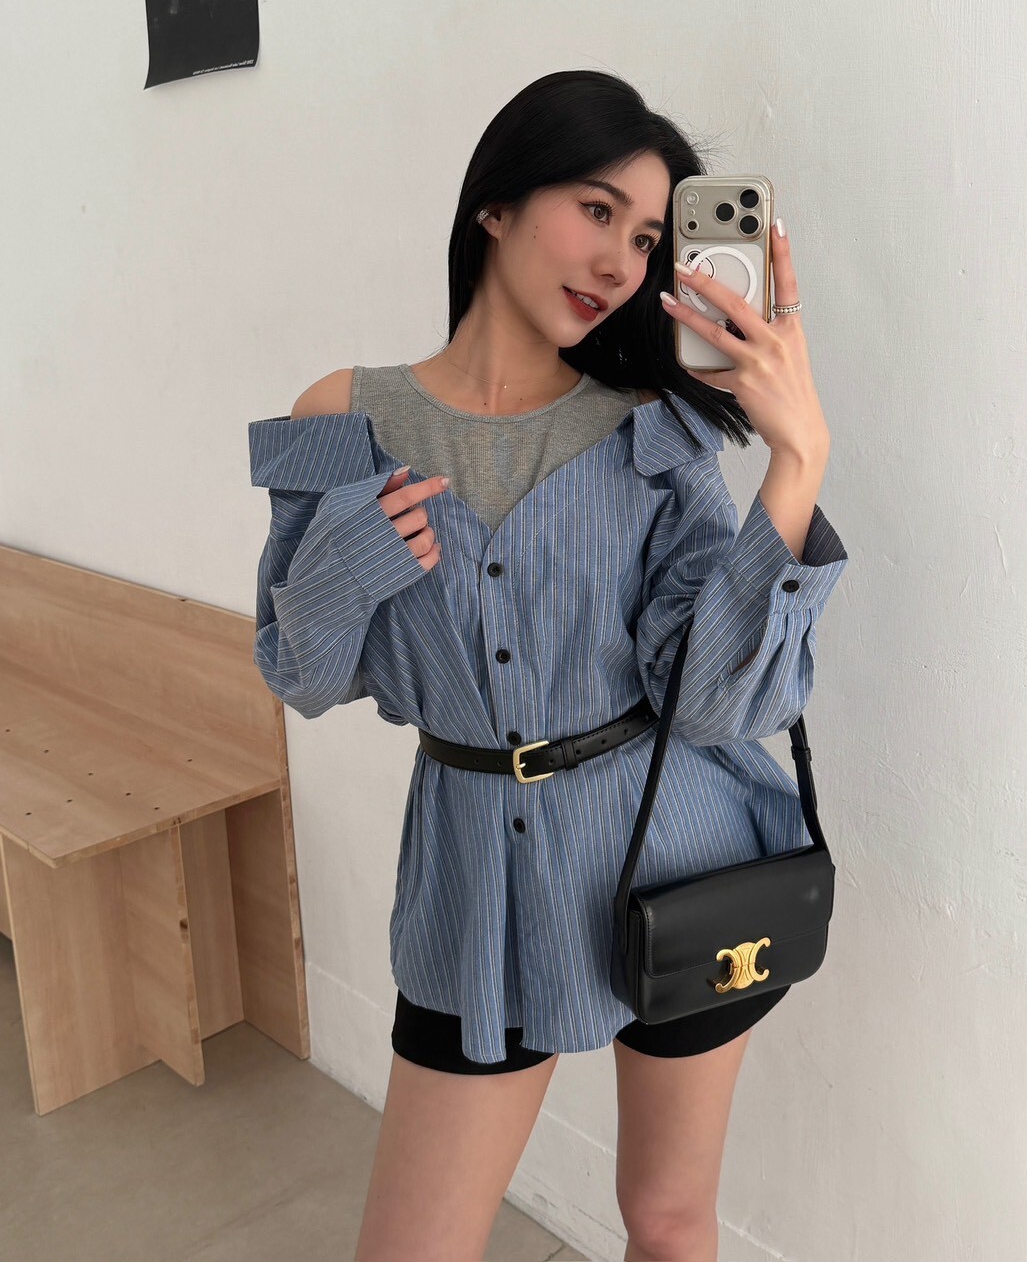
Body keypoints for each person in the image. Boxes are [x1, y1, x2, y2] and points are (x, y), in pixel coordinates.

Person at [247, 70, 848, 1262]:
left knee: (666, 1221)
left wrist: (797, 462)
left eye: (646, 237)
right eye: (595, 210)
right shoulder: (343, 417)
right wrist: (351, 558)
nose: (620, 262)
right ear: (498, 204)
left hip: (677, 858)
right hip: (475, 882)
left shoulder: (652, 425)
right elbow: (297, 670)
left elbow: (713, 700)